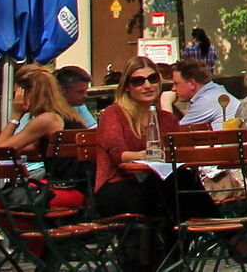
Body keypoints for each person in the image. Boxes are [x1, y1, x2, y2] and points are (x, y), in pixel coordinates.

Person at [91, 57, 220, 272]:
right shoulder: (114, 114)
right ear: (127, 87)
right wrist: (149, 155)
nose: (147, 85)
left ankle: (170, 261)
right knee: (173, 190)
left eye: (152, 79)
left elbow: (178, 155)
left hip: (155, 188)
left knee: (180, 183)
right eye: (138, 81)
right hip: (117, 187)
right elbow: (118, 156)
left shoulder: (167, 119)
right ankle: (231, 239)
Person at [0, 66, 81, 179]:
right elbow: (32, 149)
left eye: (16, 94)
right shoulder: (67, 115)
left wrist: (16, 115)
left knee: (4, 194)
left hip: (63, 188)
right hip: (83, 185)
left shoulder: (47, 120)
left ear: (27, 93)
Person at [173, 58, 241, 127]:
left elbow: (173, 132)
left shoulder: (206, 100)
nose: (173, 88)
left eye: (176, 83)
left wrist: (165, 102)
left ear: (191, 83)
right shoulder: (215, 92)